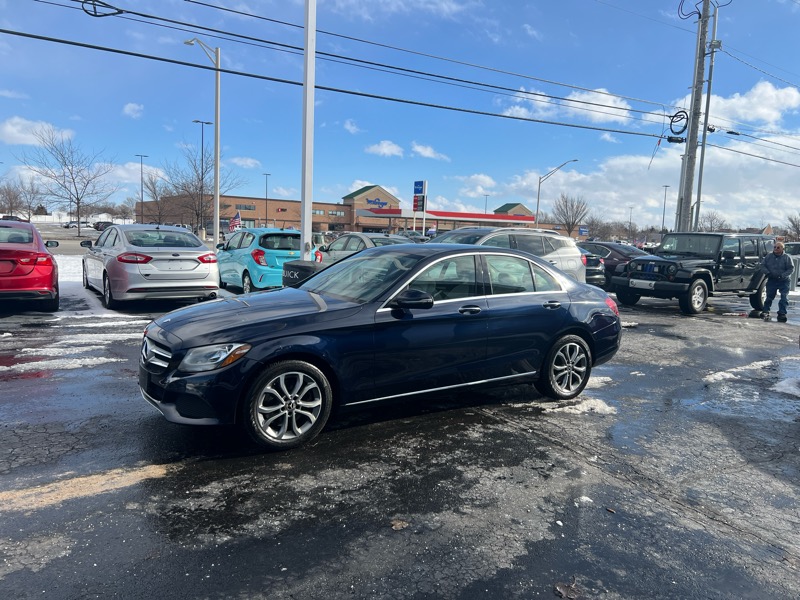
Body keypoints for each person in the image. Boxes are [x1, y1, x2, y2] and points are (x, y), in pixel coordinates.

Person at [761, 241, 794, 322]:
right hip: (772, 279)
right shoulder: (769, 256)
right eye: (775, 247)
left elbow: (791, 268)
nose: (776, 249)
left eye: (778, 247)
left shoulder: (787, 257)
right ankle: (766, 311)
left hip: (784, 281)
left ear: (782, 249)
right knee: (769, 297)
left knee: (784, 297)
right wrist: (768, 273)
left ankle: (782, 313)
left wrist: (782, 275)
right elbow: (762, 265)